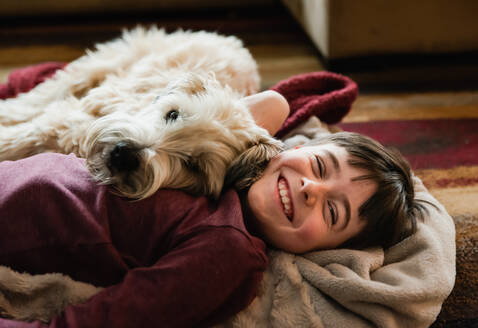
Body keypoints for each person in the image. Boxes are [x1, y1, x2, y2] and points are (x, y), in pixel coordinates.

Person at [0, 91, 427, 327]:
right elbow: (271, 105)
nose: (312, 189)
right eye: (318, 166)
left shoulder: (230, 251)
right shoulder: (231, 164)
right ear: (288, 148)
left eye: (333, 214)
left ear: (325, 251)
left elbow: (115, 321)